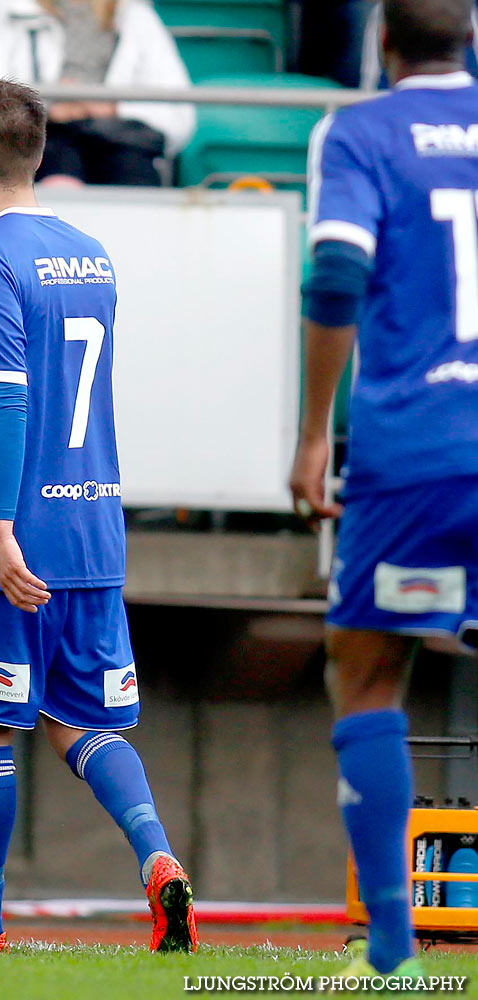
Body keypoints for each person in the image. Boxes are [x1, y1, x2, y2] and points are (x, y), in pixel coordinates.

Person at [0, 79, 196, 953]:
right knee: (82, 720)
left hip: (10, 537)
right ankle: (158, 859)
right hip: (93, 529)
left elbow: (7, 398)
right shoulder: (91, 252)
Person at [289, 0, 478, 981]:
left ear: (381, 43)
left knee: (366, 672)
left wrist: (317, 427)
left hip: (415, 450)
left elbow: (337, 270)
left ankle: (396, 949)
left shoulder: (358, 131)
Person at [0, 0, 193, 185]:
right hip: (41, 139)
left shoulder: (137, 17)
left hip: (119, 143)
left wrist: (111, 107)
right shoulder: (1, 11)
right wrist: (47, 105)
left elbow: (178, 115)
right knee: (51, 165)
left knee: (131, 173)